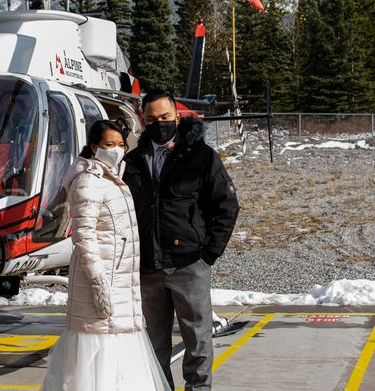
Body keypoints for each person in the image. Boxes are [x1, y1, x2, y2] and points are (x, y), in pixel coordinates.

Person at [41, 120, 170, 391]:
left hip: (121, 284)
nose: (116, 150)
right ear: (94, 147)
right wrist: (98, 281)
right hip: (101, 284)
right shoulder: (89, 180)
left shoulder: (113, 178)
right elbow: (84, 236)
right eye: (109, 145)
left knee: (122, 351)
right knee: (98, 350)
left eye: (121, 145)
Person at [123, 90, 239, 391]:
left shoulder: (201, 156)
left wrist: (209, 253)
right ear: (142, 120)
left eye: (165, 117)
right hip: (149, 269)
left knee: (198, 342)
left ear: (177, 116)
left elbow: (226, 204)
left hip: (189, 265)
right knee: (153, 346)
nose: (159, 124)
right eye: (152, 119)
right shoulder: (132, 161)